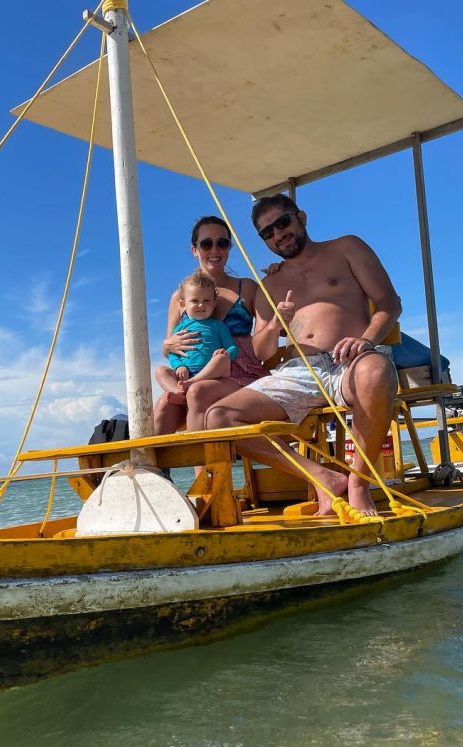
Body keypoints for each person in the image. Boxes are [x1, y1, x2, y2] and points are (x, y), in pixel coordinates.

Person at [205, 194, 402, 516]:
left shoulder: (346, 247)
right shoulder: (270, 282)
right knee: (218, 418)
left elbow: (389, 303)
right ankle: (323, 477)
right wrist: (274, 324)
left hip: (349, 360)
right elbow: (262, 352)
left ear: (301, 217)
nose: (277, 234)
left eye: (282, 223)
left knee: (376, 372)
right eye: (267, 233)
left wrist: (365, 340)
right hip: (297, 370)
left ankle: (358, 483)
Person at [153, 216, 269, 435]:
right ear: (194, 250)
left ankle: (205, 469)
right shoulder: (180, 295)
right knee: (162, 407)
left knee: (197, 392)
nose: (214, 249)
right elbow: (167, 346)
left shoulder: (247, 288)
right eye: (206, 243)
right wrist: (169, 346)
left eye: (222, 243)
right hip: (194, 371)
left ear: (229, 248)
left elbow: (265, 338)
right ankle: (158, 469)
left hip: (237, 372)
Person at [154, 270, 239, 401]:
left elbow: (233, 348)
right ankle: (179, 393)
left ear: (214, 303)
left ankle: (190, 385)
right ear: (183, 304)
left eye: (206, 300)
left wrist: (224, 354)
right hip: (185, 374)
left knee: (221, 358)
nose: (201, 305)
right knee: (160, 371)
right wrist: (179, 366)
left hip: (210, 374)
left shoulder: (218, 325)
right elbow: (172, 353)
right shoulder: (180, 328)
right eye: (194, 300)